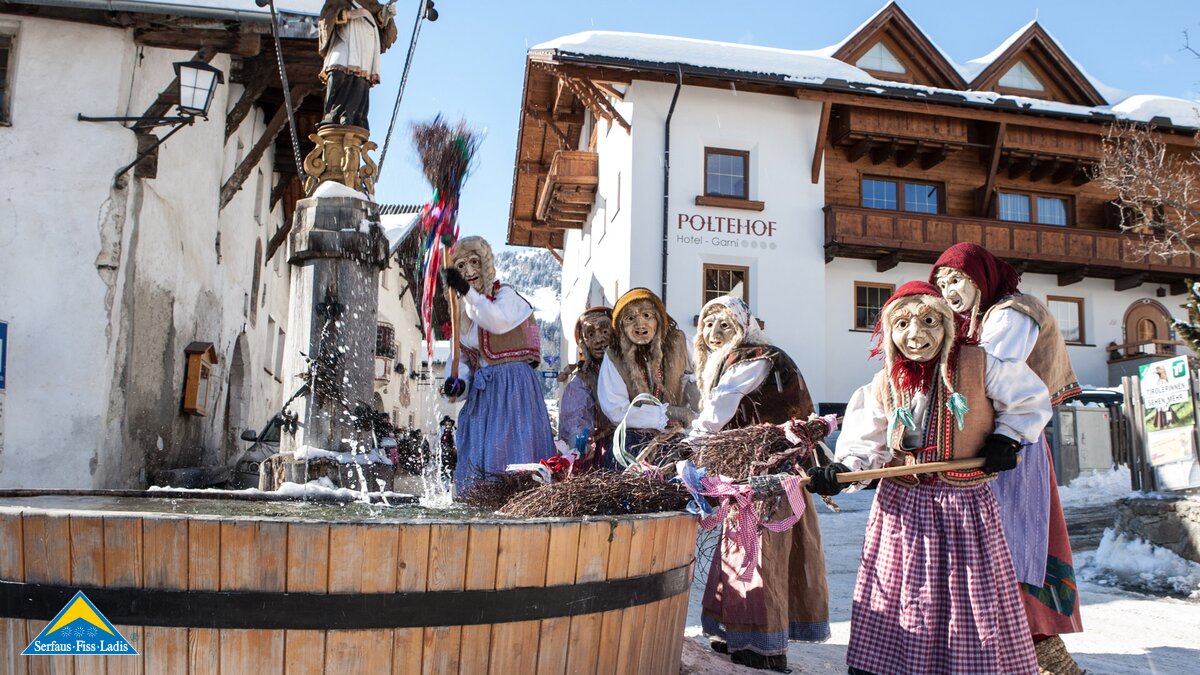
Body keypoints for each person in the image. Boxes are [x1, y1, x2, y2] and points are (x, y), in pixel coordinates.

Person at [811, 281, 1048, 675]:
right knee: (901, 594)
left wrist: (1007, 438)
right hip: (901, 508)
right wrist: (843, 470)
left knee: (967, 596)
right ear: (889, 332)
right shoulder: (885, 382)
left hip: (963, 505)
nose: (915, 335)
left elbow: (1029, 400)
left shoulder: (980, 364)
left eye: (928, 322)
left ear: (949, 326)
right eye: (902, 324)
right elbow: (865, 442)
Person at [930, 242, 1085, 667]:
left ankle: (1038, 650)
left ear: (980, 277)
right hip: (983, 443)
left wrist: (1003, 438)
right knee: (980, 550)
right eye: (941, 284)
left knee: (1009, 547)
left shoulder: (1013, 313)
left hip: (1013, 445)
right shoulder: (974, 320)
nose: (949, 291)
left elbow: (993, 369)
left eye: (956, 280)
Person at [691, 296, 830, 672]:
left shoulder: (753, 357)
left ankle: (761, 645)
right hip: (757, 471)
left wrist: (689, 442)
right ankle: (735, 633)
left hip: (770, 474)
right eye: (708, 325)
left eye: (724, 325)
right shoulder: (741, 358)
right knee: (741, 548)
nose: (714, 333)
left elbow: (721, 406)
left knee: (760, 553)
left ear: (742, 327)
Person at [440, 236, 555, 491]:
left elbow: (496, 321)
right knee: (482, 459)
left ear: (486, 265)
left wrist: (466, 292)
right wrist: (456, 384)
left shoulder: (506, 296)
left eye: (474, 262)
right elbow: (462, 361)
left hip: (514, 393)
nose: (469, 272)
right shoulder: (463, 320)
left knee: (514, 453)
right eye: (460, 266)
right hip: (484, 399)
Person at [596, 288, 698, 455]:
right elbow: (616, 411)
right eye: (630, 318)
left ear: (658, 318)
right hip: (634, 446)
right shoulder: (614, 356)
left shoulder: (679, 342)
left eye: (647, 315)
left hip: (679, 442)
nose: (640, 325)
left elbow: (703, 374)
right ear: (621, 325)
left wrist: (692, 398)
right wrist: (666, 412)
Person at [317, 0, 398, 129]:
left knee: (360, 80)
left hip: (366, 43)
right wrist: (347, 15)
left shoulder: (371, 2)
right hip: (345, 38)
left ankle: (351, 116)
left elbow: (379, 22)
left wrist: (384, 15)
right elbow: (326, 18)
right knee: (337, 72)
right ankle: (333, 115)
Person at [558, 307, 616, 469]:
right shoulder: (582, 381)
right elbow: (576, 418)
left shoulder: (630, 371)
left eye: (605, 331)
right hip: (604, 453)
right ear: (583, 343)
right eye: (590, 335)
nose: (599, 340)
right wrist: (580, 440)